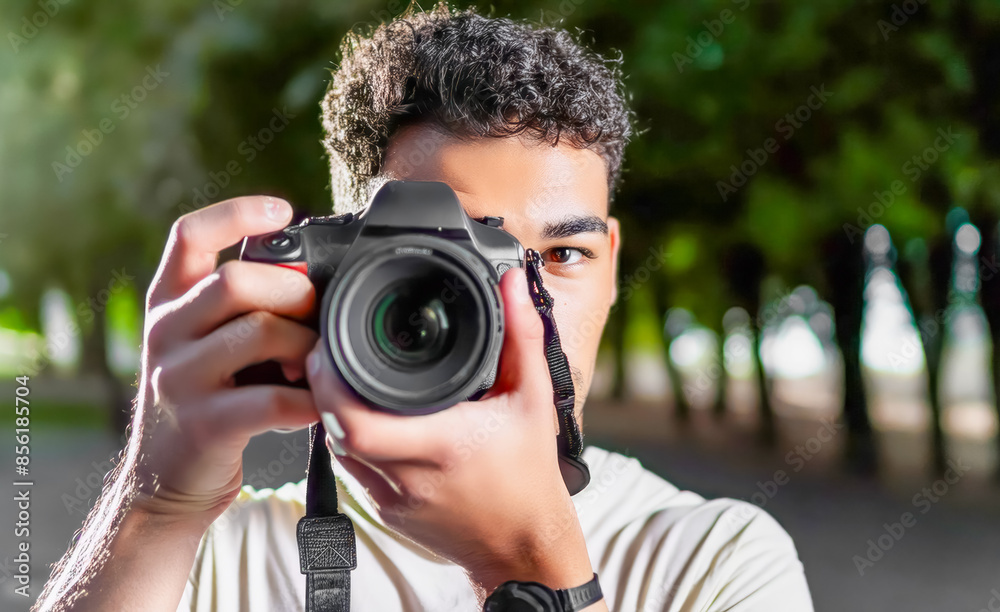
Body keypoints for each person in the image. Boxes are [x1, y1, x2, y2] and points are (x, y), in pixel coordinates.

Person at [35, 4, 814, 611]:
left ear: (610, 269)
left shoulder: (715, 559)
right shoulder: (205, 555)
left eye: (560, 257)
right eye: (454, 265)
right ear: (339, 274)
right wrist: (157, 506)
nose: (517, 310)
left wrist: (531, 561)